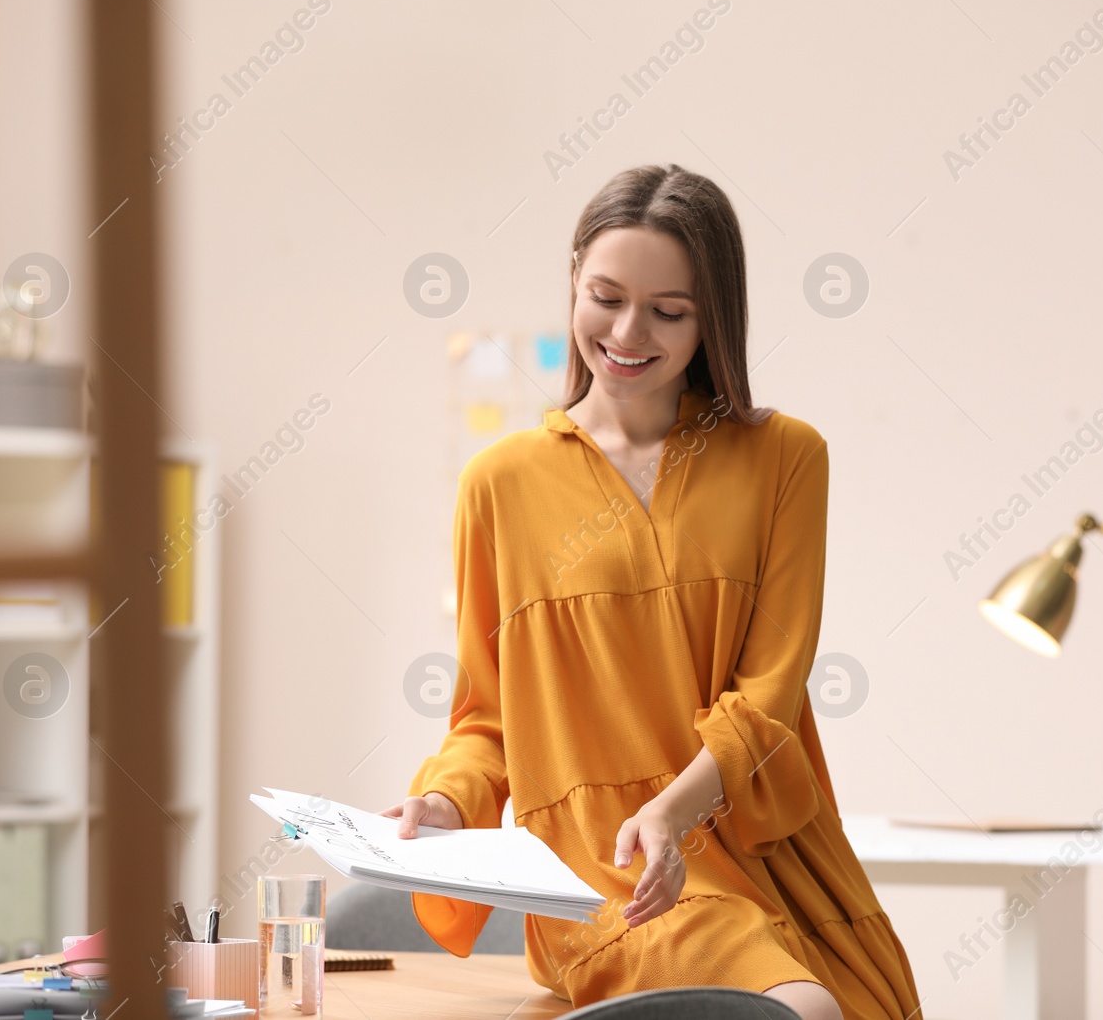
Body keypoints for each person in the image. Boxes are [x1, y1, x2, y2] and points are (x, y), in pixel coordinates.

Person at [380, 164, 924, 1020]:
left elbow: (771, 691)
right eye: (606, 296)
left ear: (713, 318)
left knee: (866, 1002)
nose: (629, 331)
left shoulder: (786, 459)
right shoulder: (501, 483)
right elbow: (487, 714)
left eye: (669, 311)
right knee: (802, 1012)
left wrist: (676, 809)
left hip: (766, 845)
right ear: (573, 283)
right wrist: (446, 801)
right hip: (609, 870)